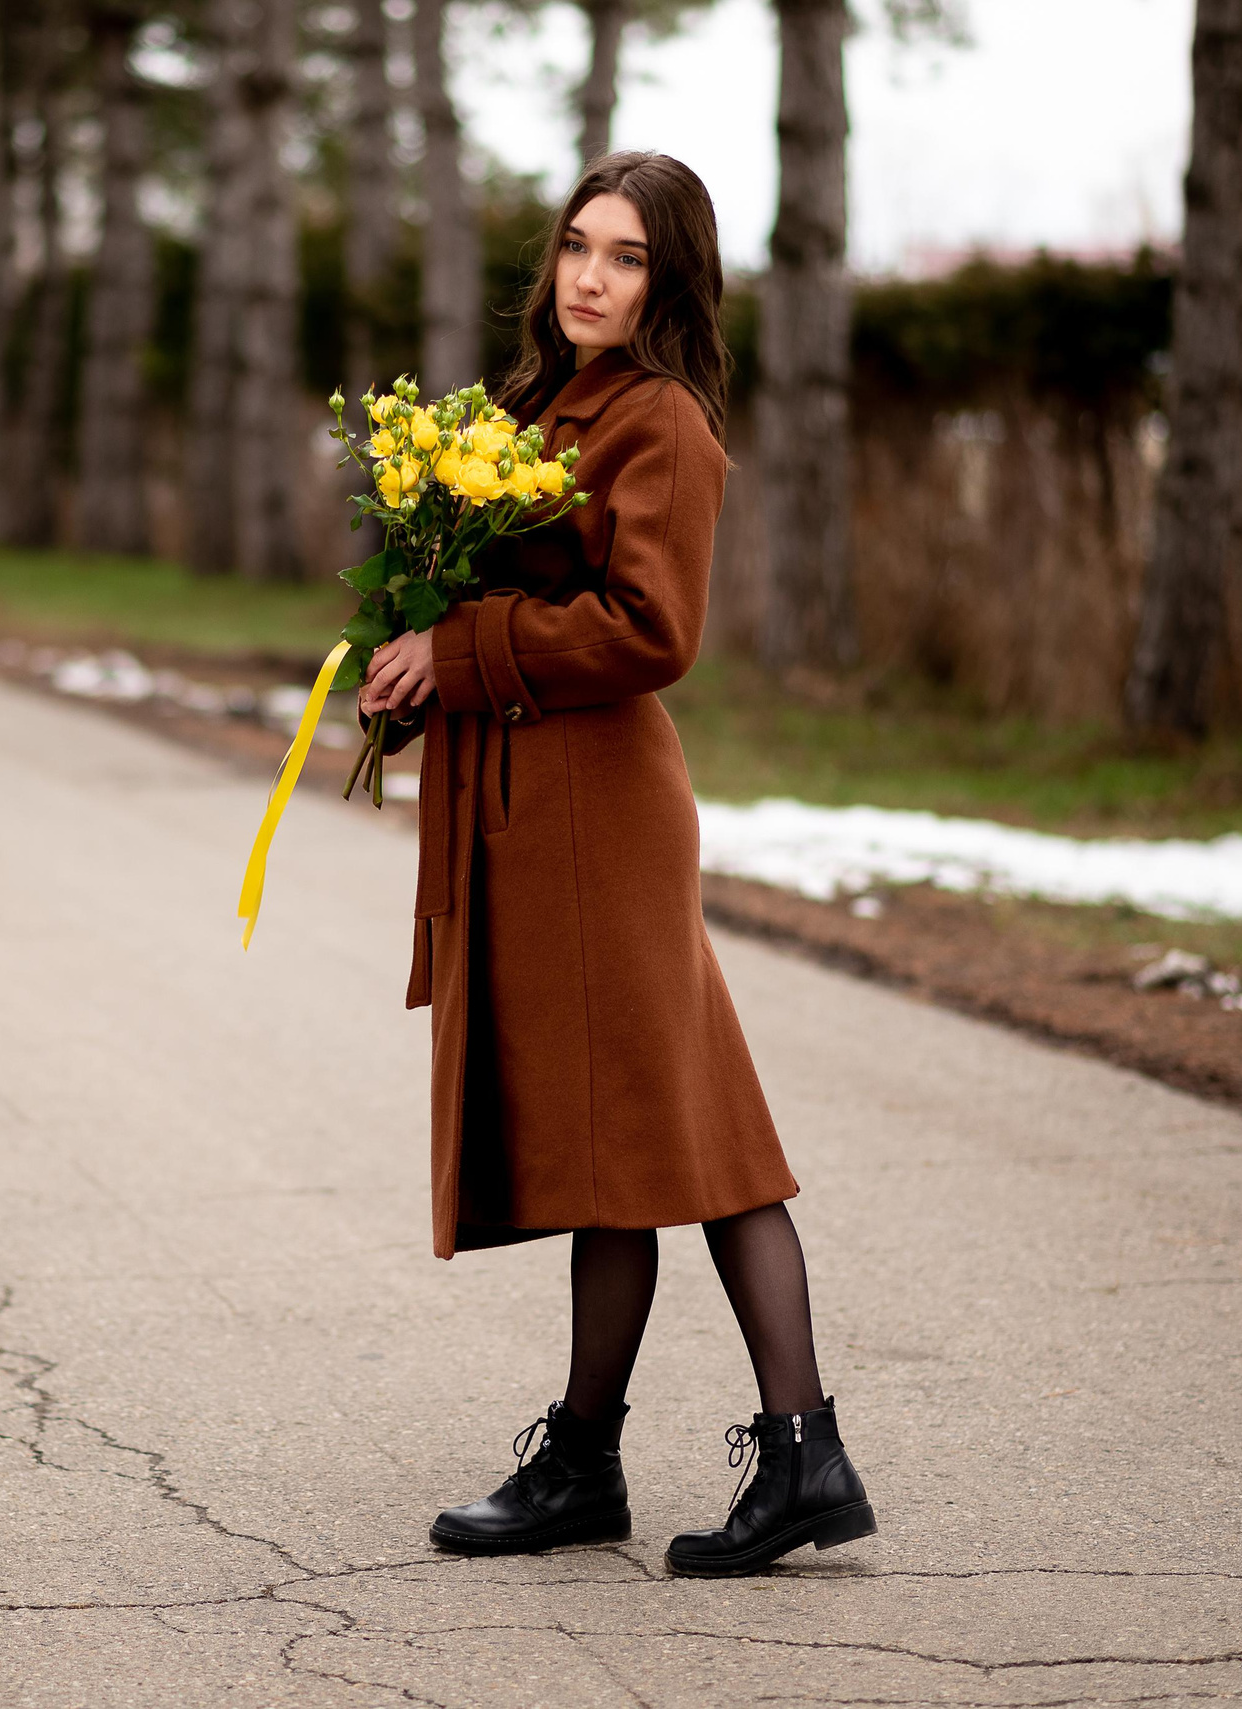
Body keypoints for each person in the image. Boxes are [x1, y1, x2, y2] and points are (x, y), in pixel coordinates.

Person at [353, 152, 875, 1578]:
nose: (589, 275)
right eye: (578, 246)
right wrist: (413, 663)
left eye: (627, 256)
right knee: (639, 1136)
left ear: (674, 278)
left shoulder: (662, 427)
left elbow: (655, 631)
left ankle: (735, 1451)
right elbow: (513, 597)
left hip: (600, 817)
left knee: (667, 1132)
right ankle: (693, 1454)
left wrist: (461, 652)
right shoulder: (537, 409)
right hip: (540, 808)